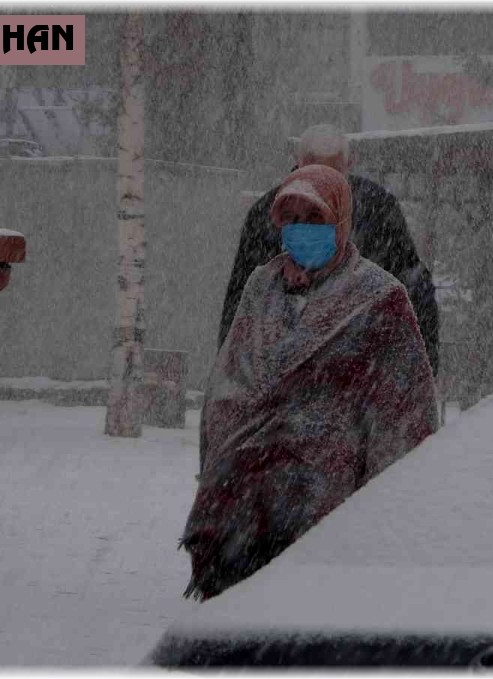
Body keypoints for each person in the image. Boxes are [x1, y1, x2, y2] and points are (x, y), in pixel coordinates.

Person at [182, 165, 439, 601]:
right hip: (240, 510)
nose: (301, 230)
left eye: (315, 219)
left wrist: (382, 516)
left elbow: (404, 419)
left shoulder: (379, 300)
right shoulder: (261, 287)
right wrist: (222, 463)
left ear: (341, 223)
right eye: (292, 219)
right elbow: (228, 381)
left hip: (327, 516)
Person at [219, 124, 441, 374]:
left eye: (333, 174)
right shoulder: (267, 215)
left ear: (349, 165)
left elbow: (412, 285)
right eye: (315, 171)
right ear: (298, 163)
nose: (323, 185)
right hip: (283, 378)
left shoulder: (377, 209)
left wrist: (421, 368)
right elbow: (240, 304)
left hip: (361, 375)